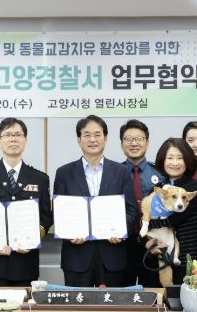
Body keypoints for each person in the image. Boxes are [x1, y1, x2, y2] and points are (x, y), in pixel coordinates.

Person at [54, 115, 138, 287]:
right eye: (87, 135)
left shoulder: (121, 172)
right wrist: (68, 234)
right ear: (79, 140)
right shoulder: (64, 173)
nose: (92, 139)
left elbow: (131, 210)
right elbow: (58, 211)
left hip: (112, 255)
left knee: (112, 305)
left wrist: (121, 231)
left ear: (105, 138)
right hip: (76, 256)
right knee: (78, 305)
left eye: (97, 134)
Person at [0, 118, 52, 287]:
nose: (13, 139)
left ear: (25, 140)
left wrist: (32, 238)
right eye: (8, 135)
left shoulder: (40, 179)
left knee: (25, 304)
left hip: (25, 263)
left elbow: (46, 217)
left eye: (18, 135)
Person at [147, 138, 197, 286]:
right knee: (160, 297)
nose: (175, 163)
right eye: (170, 158)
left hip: (188, 256)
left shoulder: (194, 188)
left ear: (187, 160)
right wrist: (150, 244)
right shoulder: (157, 189)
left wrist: (153, 222)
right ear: (162, 160)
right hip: (160, 255)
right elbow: (145, 221)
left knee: (187, 297)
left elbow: (178, 217)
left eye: (180, 158)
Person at [119, 119, 162, 286]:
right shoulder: (114, 173)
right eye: (128, 139)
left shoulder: (160, 173)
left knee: (152, 295)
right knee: (122, 297)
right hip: (121, 246)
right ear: (121, 144)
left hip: (152, 245)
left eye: (139, 139)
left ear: (147, 143)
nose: (134, 143)